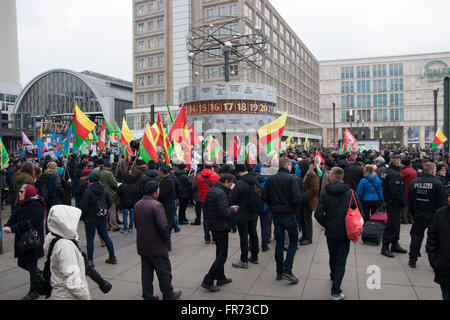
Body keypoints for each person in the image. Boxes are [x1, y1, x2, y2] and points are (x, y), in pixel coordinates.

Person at [315, 167, 362, 300]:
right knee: (341, 260)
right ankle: (335, 290)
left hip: (331, 231)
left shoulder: (325, 193)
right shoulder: (351, 193)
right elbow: (359, 212)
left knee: (332, 255)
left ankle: (333, 275)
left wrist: (327, 224)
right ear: (342, 177)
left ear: (332, 177)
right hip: (346, 231)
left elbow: (318, 214)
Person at [134, 181, 182, 300]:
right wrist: (166, 239)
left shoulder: (138, 204)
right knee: (164, 271)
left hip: (143, 243)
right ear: (156, 191)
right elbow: (163, 226)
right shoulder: (156, 205)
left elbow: (136, 224)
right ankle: (168, 293)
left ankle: (147, 294)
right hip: (156, 244)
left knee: (146, 272)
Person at [262, 157, 302, 284]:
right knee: (293, 242)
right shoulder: (291, 179)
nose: (291, 166)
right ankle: (287, 269)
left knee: (279, 243)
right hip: (289, 215)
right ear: (287, 165)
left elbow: (264, 196)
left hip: (277, 215)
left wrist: (274, 206)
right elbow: (296, 198)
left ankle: (279, 271)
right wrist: (294, 209)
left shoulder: (271, 179)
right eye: (290, 164)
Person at [2, 184, 45, 300]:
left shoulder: (35, 206)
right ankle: (40, 276)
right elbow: (14, 216)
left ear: (28, 193)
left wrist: (12, 229)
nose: (19, 194)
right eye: (20, 191)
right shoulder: (24, 204)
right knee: (22, 263)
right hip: (24, 241)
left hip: (32, 241)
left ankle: (34, 292)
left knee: (31, 266)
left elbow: (29, 223)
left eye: (21, 192)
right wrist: (8, 225)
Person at [44, 205, 91, 300]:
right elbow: (73, 282)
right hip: (67, 295)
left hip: (58, 291)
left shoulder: (51, 237)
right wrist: (86, 296)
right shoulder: (65, 246)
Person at [201, 174, 239, 292]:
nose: (231, 186)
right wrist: (233, 209)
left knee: (219, 253)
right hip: (220, 227)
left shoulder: (213, 190)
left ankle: (221, 277)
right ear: (226, 181)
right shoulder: (221, 193)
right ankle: (208, 280)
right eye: (231, 183)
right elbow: (224, 213)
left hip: (213, 225)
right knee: (222, 256)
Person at [407, 162, 447, 268]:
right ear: (433, 171)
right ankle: (434, 261)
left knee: (416, 237)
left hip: (418, 214)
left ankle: (412, 259)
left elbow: (409, 200)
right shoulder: (438, 184)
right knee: (435, 239)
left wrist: (413, 213)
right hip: (433, 215)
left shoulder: (414, 183)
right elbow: (443, 202)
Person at [80, 172, 117, 265]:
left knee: (90, 240)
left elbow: (83, 207)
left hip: (90, 219)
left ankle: (90, 261)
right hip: (102, 217)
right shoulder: (104, 190)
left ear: (90, 180)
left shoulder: (88, 191)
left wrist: (84, 216)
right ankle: (112, 256)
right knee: (106, 237)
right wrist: (104, 211)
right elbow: (109, 202)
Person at [229, 164, 260, 268]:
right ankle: (255, 257)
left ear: (238, 173)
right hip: (254, 212)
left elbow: (232, 199)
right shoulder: (255, 180)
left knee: (243, 237)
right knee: (253, 234)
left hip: (242, 213)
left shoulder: (240, 184)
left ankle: (244, 260)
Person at [381, 155, 408, 258]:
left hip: (389, 201)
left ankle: (395, 243)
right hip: (393, 203)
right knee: (392, 225)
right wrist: (402, 201)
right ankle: (386, 246)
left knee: (396, 224)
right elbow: (395, 191)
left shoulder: (387, 172)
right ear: (397, 163)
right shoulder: (394, 174)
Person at [426, 189, 450, 300]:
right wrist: (434, 261)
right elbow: (432, 237)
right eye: (449, 195)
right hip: (445, 269)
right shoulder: (440, 214)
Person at [197, 162, 220, 244]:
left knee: (206, 219)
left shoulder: (199, 177)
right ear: (212, 167)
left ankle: (207, 238)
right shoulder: (216, 176)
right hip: (214, 199)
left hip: (204, 199)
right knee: (214, 218)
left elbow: (199, 187)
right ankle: (214, 238)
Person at [298, 159, 319, 246]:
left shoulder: (312, 175)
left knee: (307, 220)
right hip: (302, 201)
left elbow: (314, 189)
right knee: (302, 220)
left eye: (300, 166)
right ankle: (304, 235)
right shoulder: (303, 174)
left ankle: (308, 238)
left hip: (308, 201)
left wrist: (303, 196)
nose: (299, 167)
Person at [98, 160, 120, 232]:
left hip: (101, 193)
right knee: (112, 210)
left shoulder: (100, 173)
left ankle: (106, 225)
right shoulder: (109, 173)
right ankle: (114, 225)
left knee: (104, 211)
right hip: (110, 193)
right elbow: (114, 183)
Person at [157, 165, 176, 250]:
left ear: (162, 172)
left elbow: (164, 194)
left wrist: (157, 194)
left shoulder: (167, 181)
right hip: (166, 205)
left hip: (166, 205)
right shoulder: (165, 180)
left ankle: (167, 246)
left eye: (159, 171)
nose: (158, 173)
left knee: (166, 226)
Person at [400, 158, 418, 224]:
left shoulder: (404, 171)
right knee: (410, 205)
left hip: (405, 190)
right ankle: (411, 219)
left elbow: (400, 179)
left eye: (401, 163)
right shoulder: (413, 171)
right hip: (413, 190)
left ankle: (404, 219)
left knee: (404, 206)